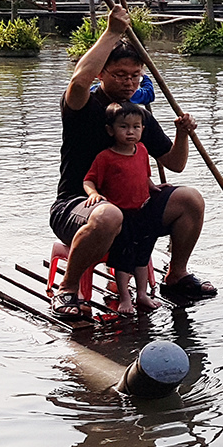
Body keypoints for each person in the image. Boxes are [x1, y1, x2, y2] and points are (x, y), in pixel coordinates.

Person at [49, 4, 214, 319]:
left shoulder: (137, 117)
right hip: (78, 206)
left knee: (190, 199)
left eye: (135, 76)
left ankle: (176, 275)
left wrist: (183, 134)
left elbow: (175, 163)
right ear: (103, 74)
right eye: (120, 75)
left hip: (135, 209)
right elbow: (79, 80)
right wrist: (112, 32)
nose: (128, 82)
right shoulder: (83, 105)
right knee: (108, 216)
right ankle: (67, 289)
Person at [82, 102, 162, 314]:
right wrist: (94, 194)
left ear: (143, 129)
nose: (130, 132)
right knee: (124, 257)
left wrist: (153, 187)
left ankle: (143, 294)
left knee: (143, 255)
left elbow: (143, 176)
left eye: (136, 127)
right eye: (124, 127)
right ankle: (125, 296)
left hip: (142, 211)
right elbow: (88, 181)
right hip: (121, 215)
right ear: (110, 130)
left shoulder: (142, 150)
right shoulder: (106, 157)